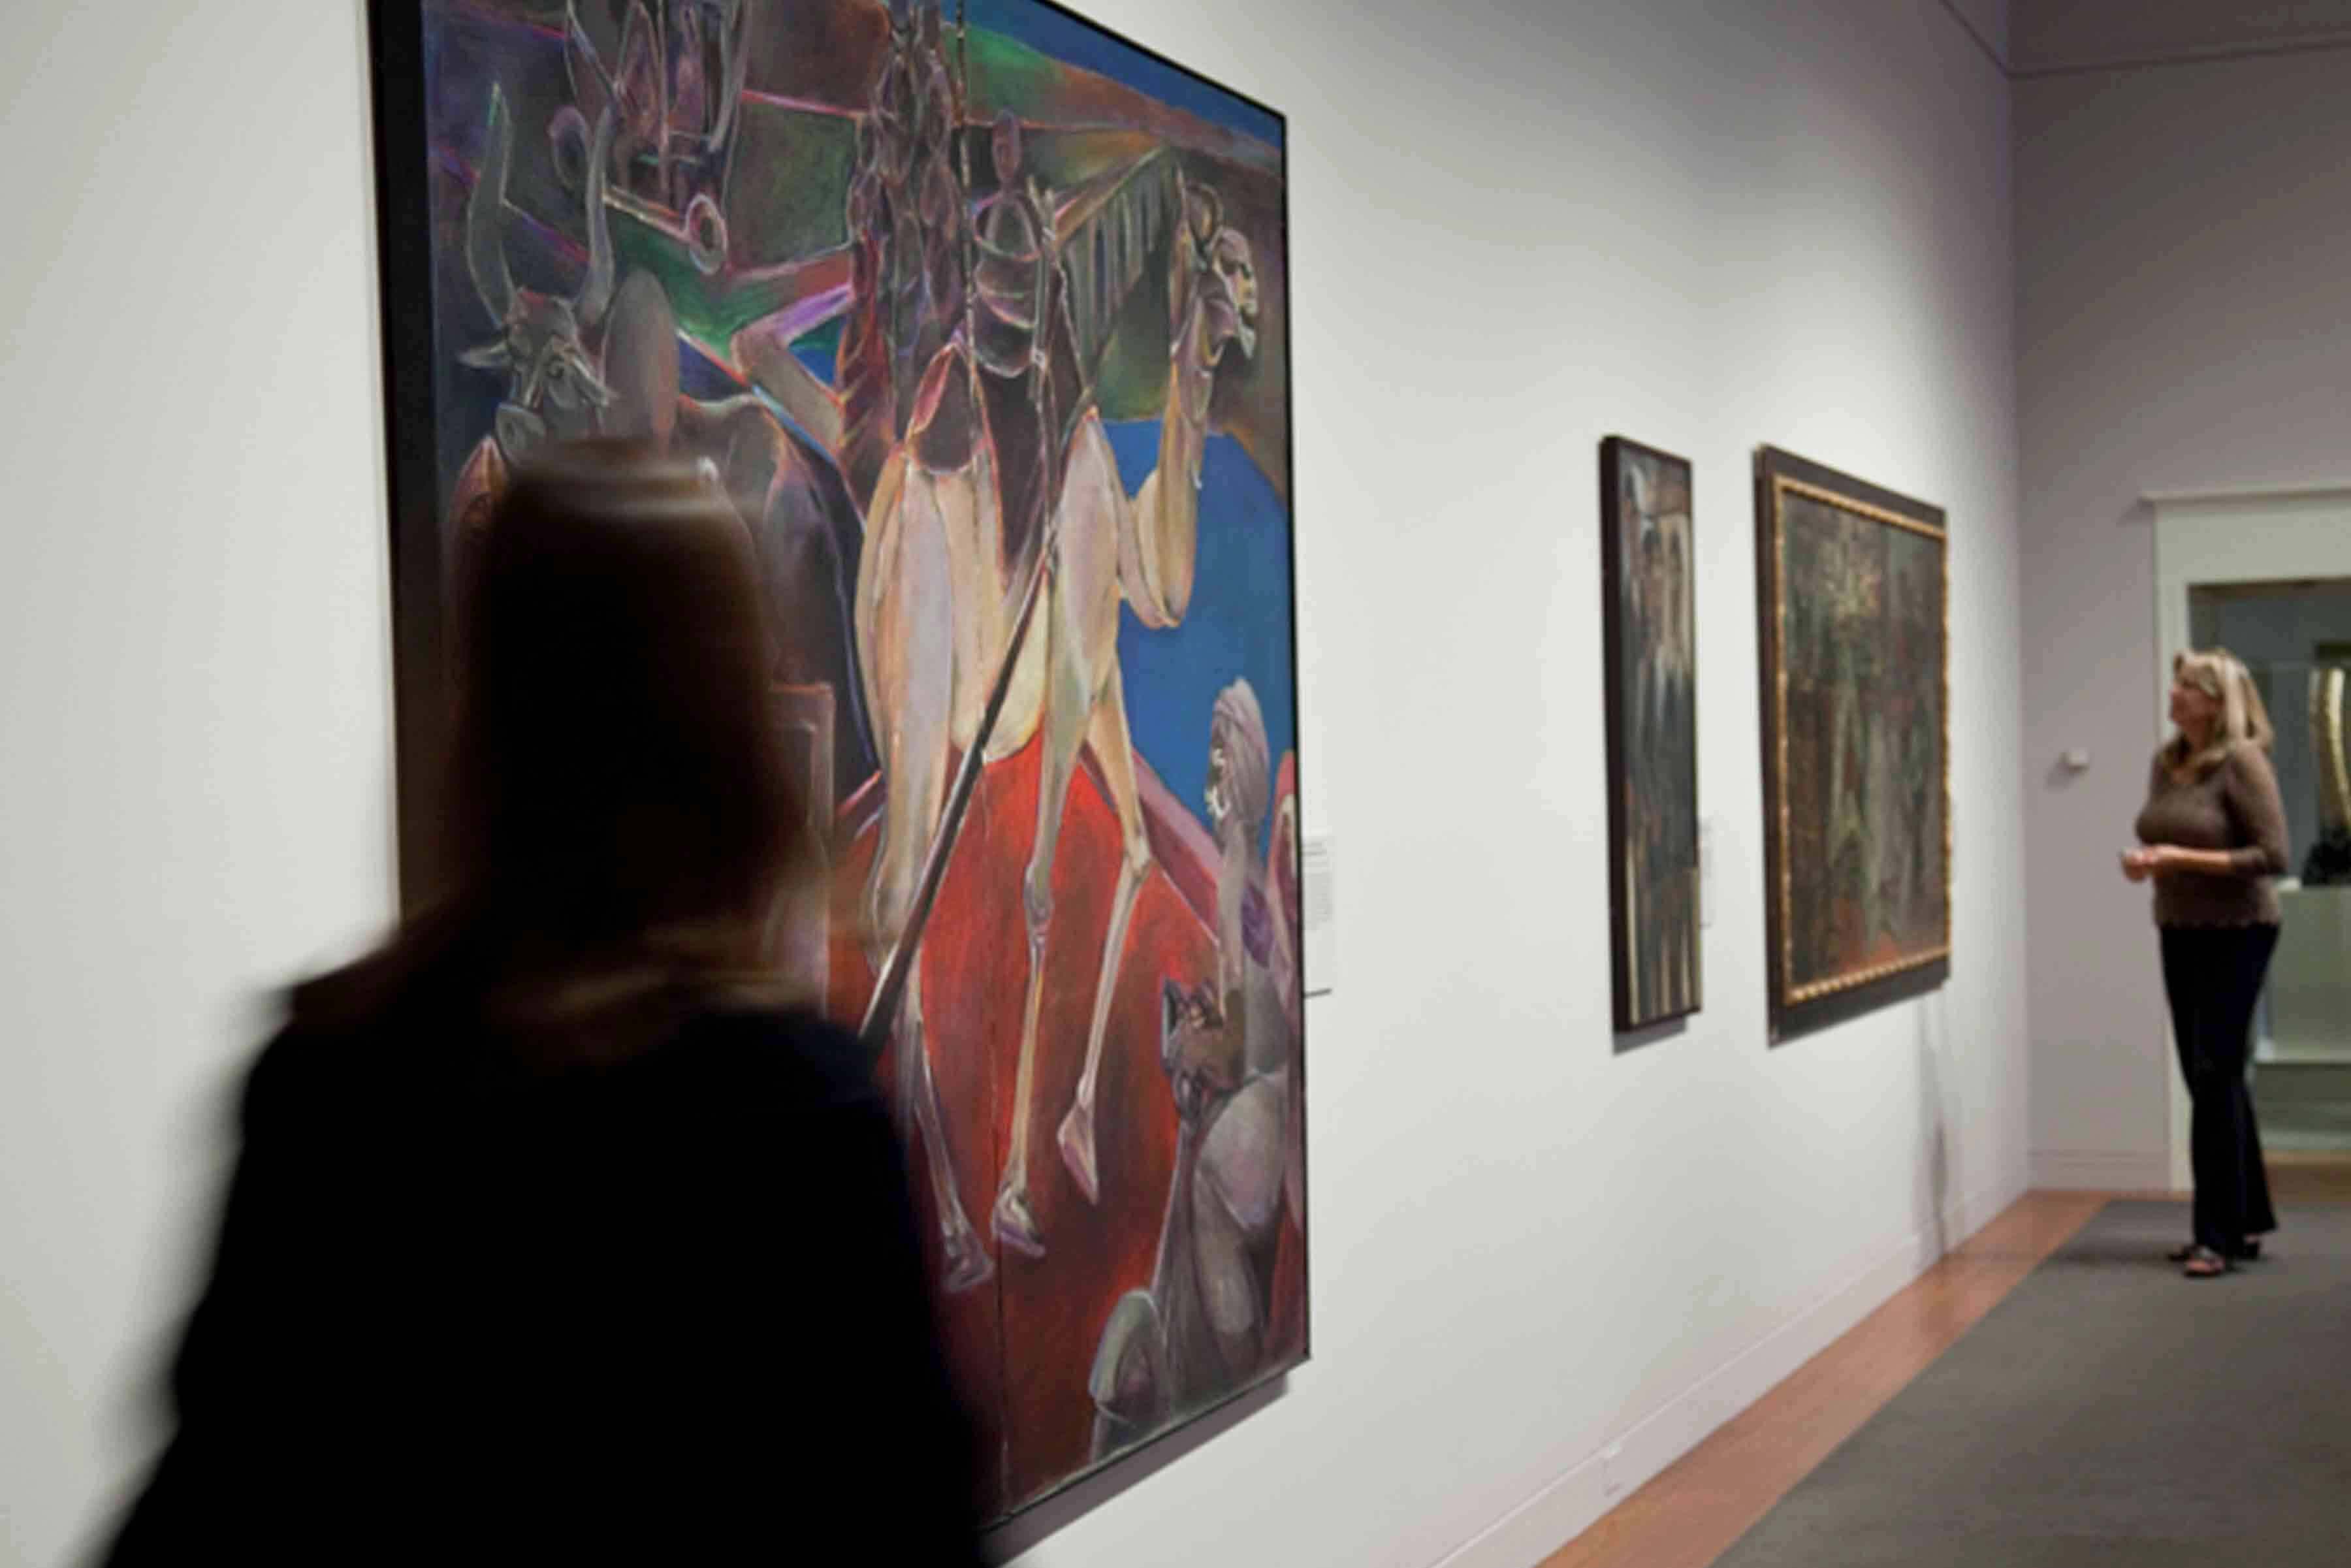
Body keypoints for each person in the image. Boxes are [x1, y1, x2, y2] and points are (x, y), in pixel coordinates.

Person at [104, 445, 984, 1561]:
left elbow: (197, 1518)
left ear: (486, 718)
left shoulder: (328, 1082)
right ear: (730, 733)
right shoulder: (795, 1119)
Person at [2122, 648, 2290, 1280]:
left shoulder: (2242, 762)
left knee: (2214, 1072)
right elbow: (2164, 836)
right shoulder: (2168, 764)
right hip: (2180, 926)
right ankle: (2247, 1218)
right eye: (2176, 683)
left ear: (2216, 701)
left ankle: (2213, 1236)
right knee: (2208, 1078)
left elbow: (2273, 853)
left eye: (2188, 686)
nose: (2174, 694)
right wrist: (2149, 862)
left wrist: (2178, 859)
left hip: (2240, 930)